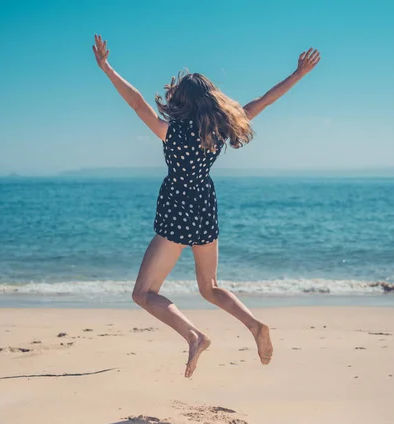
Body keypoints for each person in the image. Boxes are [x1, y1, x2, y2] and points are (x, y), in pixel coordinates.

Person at [92, 34, 320, 377]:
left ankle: (194, 335)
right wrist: (297, 75)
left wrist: (107, 68)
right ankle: (255, 325)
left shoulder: (171, 132)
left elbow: (138, 103)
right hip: (205, 207)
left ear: (182, 100)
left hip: (176, 211)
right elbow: (262, 102)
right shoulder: (216, 130)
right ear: (210, 100)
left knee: (144, 293)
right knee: (209, 286)